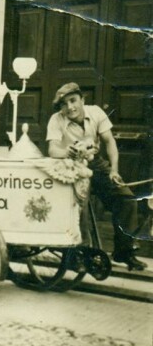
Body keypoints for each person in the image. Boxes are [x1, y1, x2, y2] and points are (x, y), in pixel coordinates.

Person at [46, 82, 147, 271]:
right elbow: (52, 149)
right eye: (64, 104)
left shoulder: (96, 112)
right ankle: (79, 253)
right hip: (70, 167)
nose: (70, 107)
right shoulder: (56, 119)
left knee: (126, 199)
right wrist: (66, 152)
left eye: (73, 100)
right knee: (77, 207)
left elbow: (110, 142)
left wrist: (114, 171)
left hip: (96, 164)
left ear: (82, 99)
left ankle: (124, 252)